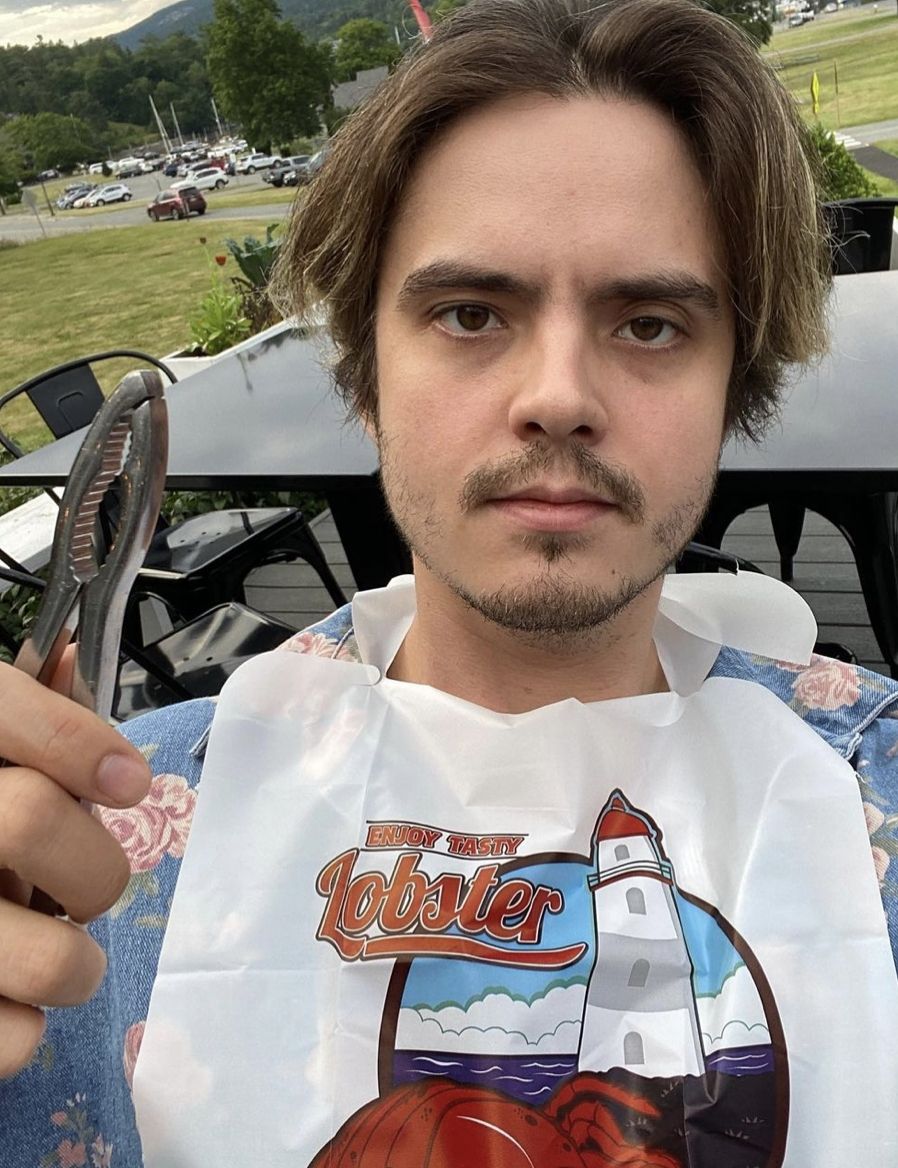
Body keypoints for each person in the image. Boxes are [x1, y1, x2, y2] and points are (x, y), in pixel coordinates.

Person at [2, 0, 898, 1164]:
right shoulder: (85, 853)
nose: (558, 394)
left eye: (649, 324)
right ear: (365, 375)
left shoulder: (869, 795)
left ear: (735, 384)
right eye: (471, 313)